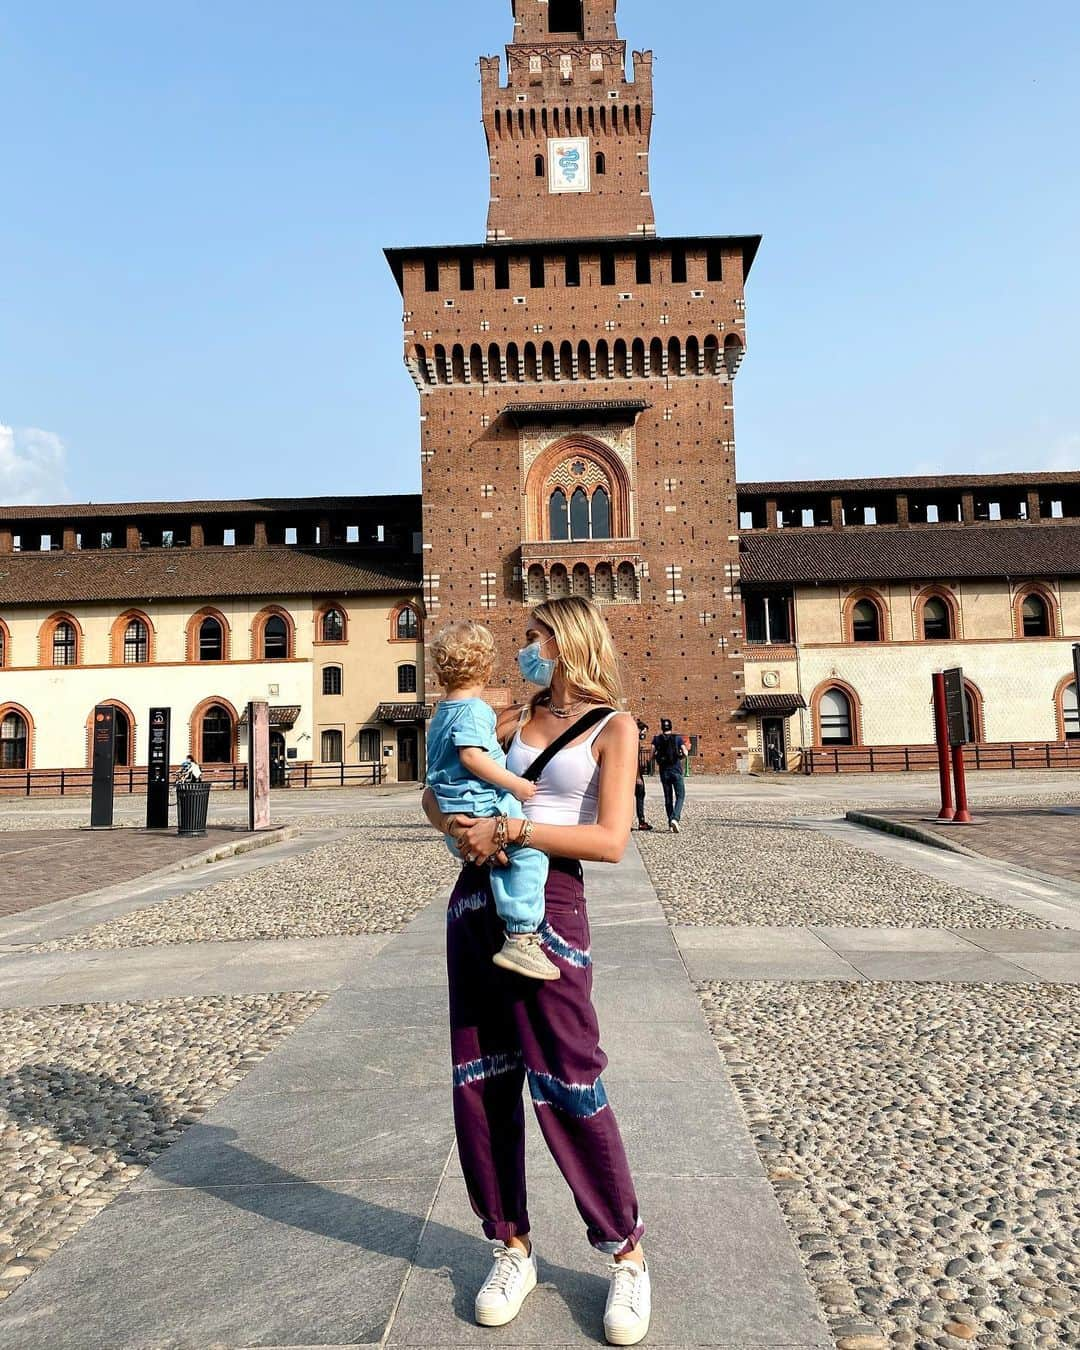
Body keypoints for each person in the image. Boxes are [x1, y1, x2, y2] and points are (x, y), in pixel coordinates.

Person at [422, 595, 651, 1347]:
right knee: (482, 1076)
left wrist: (516, 826)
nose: (524, 651)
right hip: (476, 892)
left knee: (569, 1075)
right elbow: (437, 786)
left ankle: (624, 1252)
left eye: (534, 639)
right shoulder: (511, 720)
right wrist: (456, 827)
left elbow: (611, 838)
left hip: (551, 900)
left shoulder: (615, 726)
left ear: (569, 642)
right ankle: (509, 1246)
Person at [426, 619, 558, 981]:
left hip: (456, 819)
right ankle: (520, 934)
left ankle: (513, 926)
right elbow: (472, 757)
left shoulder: (439, 716)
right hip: (482, 808)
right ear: (486, 668)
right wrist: (515, 784)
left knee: (505, 864)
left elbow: (434, 777)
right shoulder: (477, 710)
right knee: (530, 852)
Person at [651, 717, 686, 833]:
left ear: (662, 728)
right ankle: (675, 818)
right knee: (680, 796)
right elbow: (685, 752)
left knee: (668, 798)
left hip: (664, 771)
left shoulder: (656, 739)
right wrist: (681, 756)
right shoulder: (677, 738)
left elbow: (651, 754)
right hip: (676, 770)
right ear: (671, 727)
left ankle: (670, 822)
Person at [633, 720, 654, 831]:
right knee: (640, 795)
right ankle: (641, 821)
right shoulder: (635, 741)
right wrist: (637, 777)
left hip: (628, 774)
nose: (643, 735)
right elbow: (634, 759)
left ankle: (626, 823)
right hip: (634, 775)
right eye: (643, 732)